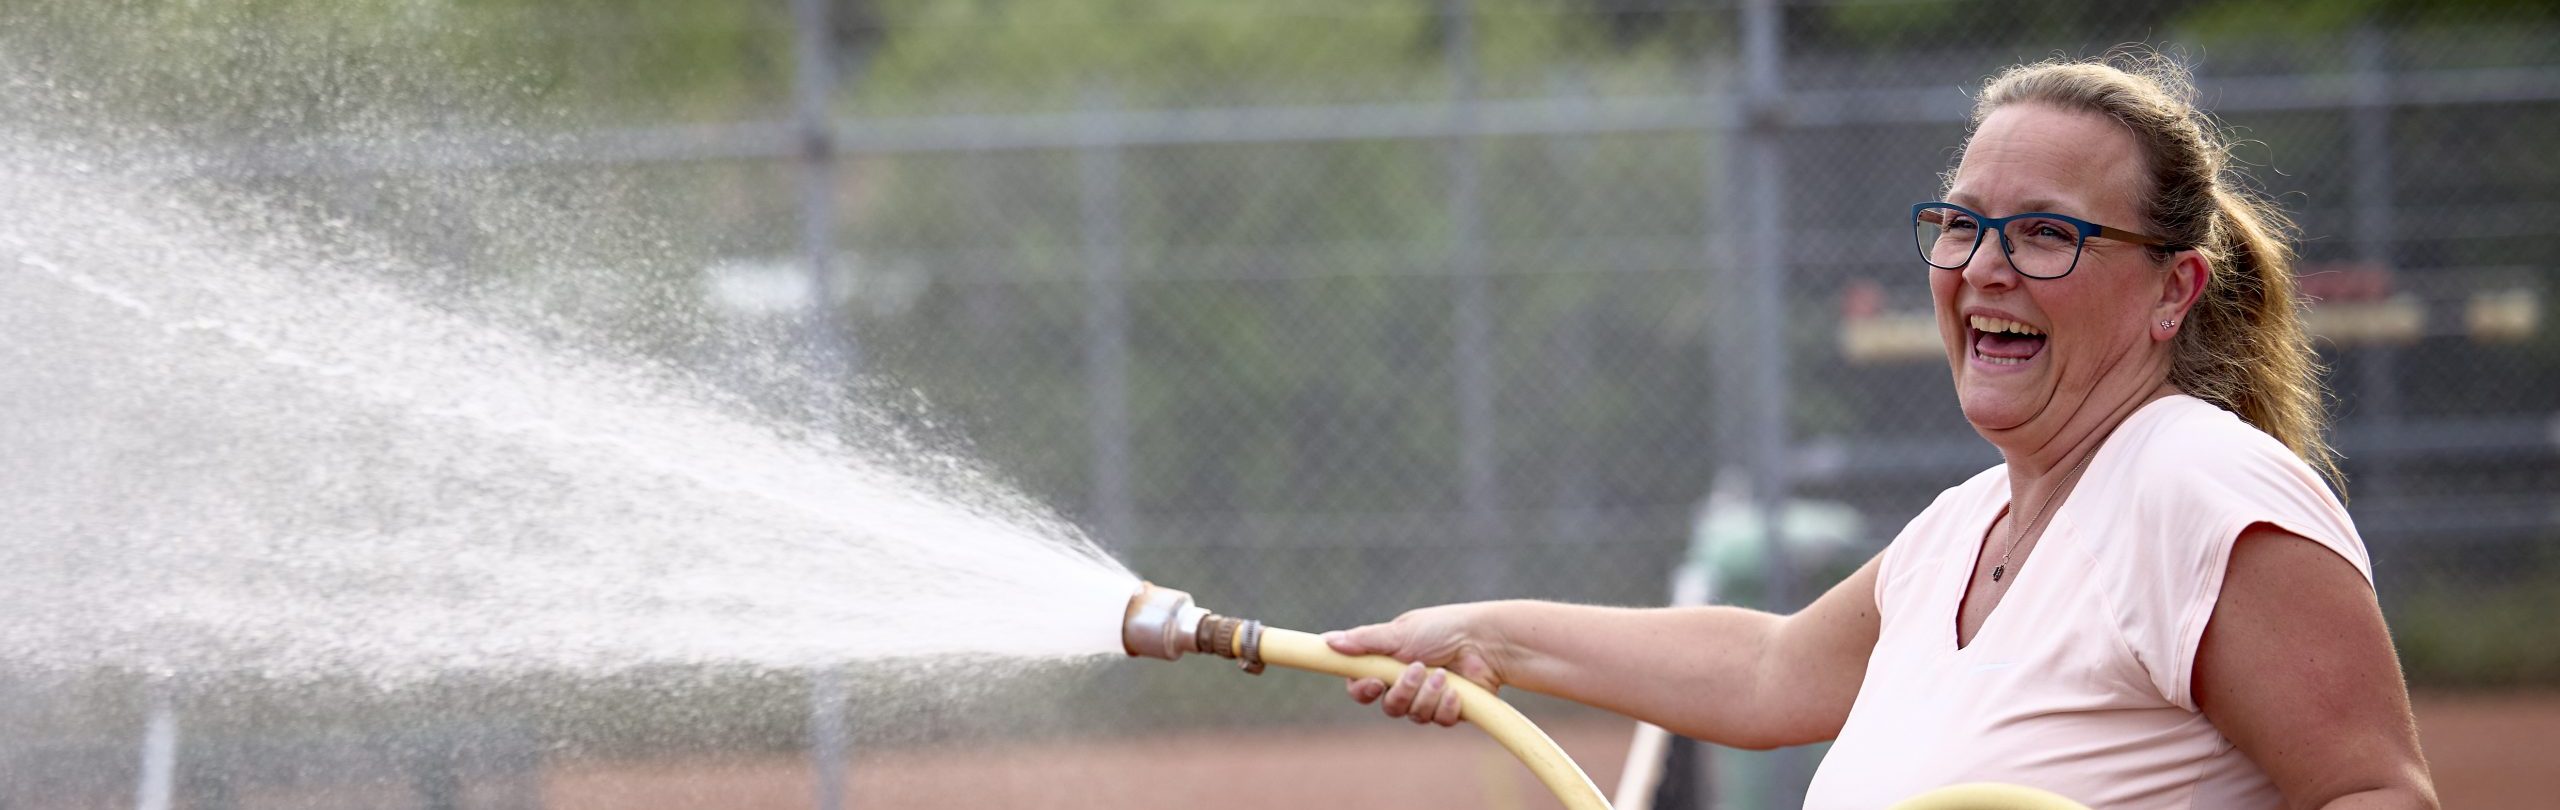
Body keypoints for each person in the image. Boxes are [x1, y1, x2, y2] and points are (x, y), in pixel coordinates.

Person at [1324, 51, 2438, 809]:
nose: (1983, 264)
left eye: (2046, 232)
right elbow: (1766, 672)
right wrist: (1486, 637)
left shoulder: (2196, 484)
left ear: (2171, 290)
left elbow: (2374, 792)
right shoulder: (1966, 526)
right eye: (1961, 224)